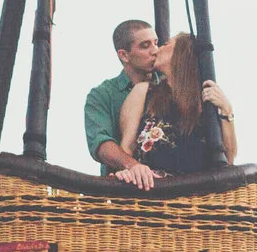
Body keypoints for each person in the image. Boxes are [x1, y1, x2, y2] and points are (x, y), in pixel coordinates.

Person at [118, 31, 237, 178]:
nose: (157, 49)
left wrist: (227, 110)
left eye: (166, 44)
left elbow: (228, 160)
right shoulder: (143, 92)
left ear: (182, 54)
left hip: (196, 194)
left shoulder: (205, 100)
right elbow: (126, 147)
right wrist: (130, 169)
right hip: (151, 191)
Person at [86, 20, 162, 189]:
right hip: (124, 188)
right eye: (145, 45)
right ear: (124, 55)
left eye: (156, 43)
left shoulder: (170, 86)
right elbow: (101, 143)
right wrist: (133, 166)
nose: (155, 51)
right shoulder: (102, 94)